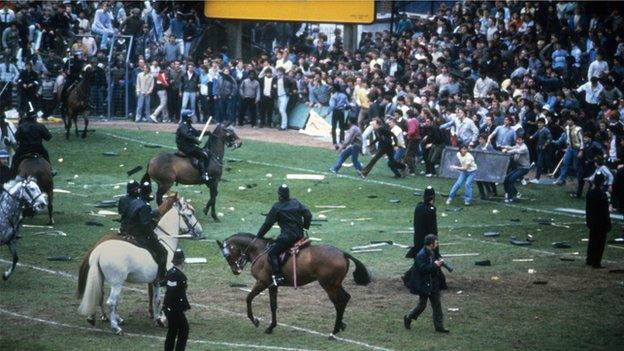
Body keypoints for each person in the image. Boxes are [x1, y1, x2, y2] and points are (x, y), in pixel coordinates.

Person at [256, 184, 312, 287]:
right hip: (299, 236)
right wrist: (305, 226)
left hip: (287, 238)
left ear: (279, 194)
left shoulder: (277, 207)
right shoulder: (296, 202)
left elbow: (267, 224)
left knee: (272, 253)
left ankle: (278, 276)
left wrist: (259, 236)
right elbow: (308, 214)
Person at [403, 234, 450, 333]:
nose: (437, 244)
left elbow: (437, 257)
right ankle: (408, 317)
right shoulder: (421, 255)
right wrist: (435, 265)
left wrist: (440, 260)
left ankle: (439, 326)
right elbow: (423, 269)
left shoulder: (433, 251)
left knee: (437, 304)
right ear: (431, 244)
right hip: (424, 283)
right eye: (436, 242)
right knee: (422, 305)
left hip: (433, 282)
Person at [126, 181, 168, 280]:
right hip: (140, 235)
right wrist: (153, 236)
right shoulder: (145, 206)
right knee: (163, 252)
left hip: (130, 231)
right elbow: (145, 225)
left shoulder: (135, 201)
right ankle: (161, 277)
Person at [162, 249, 190, 351]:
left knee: (172, 331)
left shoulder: (170, 272)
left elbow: (168, 289)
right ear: (182, 262)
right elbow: (173, 293)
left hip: (170, 307)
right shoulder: (178, 275)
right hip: (175, 308)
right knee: (184, 329)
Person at [10, 109, 52, 177]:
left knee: (15, 158)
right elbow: (48, 137)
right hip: (38, 148)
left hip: (24, 149)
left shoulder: (22, 126)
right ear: (35, 117)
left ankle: (12, 173)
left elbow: (16, 138)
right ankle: (51, 170)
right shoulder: (40, 126)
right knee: (46, 154)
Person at [585, 172, 611, 268]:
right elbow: (605, 212)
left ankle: (589, 259)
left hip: (592, 221)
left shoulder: (590, 193)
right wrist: (608, 223)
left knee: (592, 241)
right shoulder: (602, 195)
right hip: (601, 223)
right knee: (600, 243)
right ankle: (596, 262)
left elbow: (587, 209)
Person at [176, 111, 210, 182]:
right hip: (186, 147)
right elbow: (188, 135)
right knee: (203, 155)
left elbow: (196, 132)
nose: (192, 118)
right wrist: (196, 140)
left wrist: (206, 133)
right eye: (190, 117)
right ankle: (204, 174)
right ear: (187, 118)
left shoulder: (188, 125)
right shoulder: (183, 126)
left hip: (189, 146)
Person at [409, 186, 438, 256]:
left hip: (417, 239)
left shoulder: (418, 206)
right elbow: (432, 227)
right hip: (427, 241)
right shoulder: (431, 209)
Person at [501, 135, 531, 203]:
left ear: (523, 141)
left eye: (520, 140)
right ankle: (512, 193)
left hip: (524, 168)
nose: (518, 141)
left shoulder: (524, 148)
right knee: (506, 179)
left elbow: (515, 151)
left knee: (511, 179)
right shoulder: (518, 145)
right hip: (518, 167)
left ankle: (510, 198)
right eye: (517, 140)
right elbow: (512, 147)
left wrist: (506, 151)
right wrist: (504, 147)